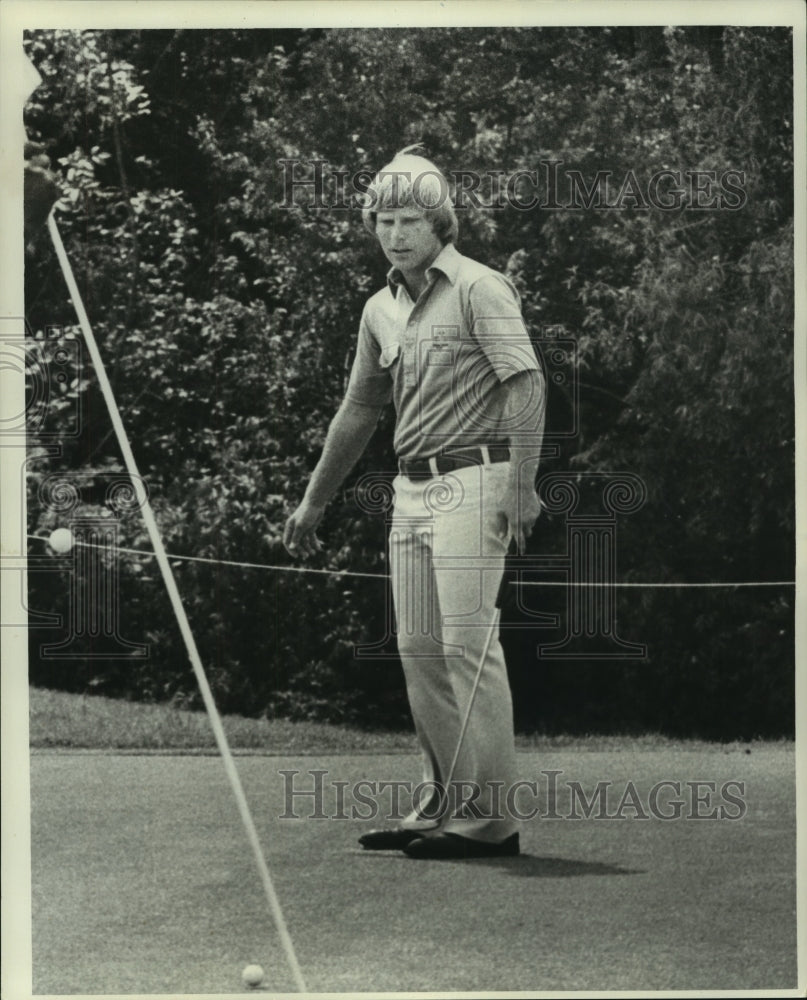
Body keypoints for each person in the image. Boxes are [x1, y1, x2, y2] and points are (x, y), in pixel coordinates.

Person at [283, 146, 546, 859]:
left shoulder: (477, 288)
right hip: (412, 488)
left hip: (479, 477)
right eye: (384, 220)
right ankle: (441, 804)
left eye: (409, 220)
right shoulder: (379, 308)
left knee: (466, 645)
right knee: (418, 650)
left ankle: (491, 821)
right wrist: (313, 503)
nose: (395, 233)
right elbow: (359, 409)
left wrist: (522, 485)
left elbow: (524, 385)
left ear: (439, 224)